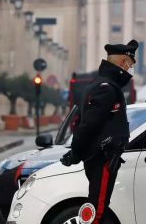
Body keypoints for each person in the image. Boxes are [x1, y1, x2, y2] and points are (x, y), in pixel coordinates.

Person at [60, 40, 137, 224]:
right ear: (122, 63)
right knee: (97, 208)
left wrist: (77, 151)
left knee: (98, 205)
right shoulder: (107, 88)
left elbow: (84, 121)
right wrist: (77, 151)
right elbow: (88, 125)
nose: (131, 69)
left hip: (101, 157)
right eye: (130, 65)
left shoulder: (102, 84)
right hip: (102, 158)